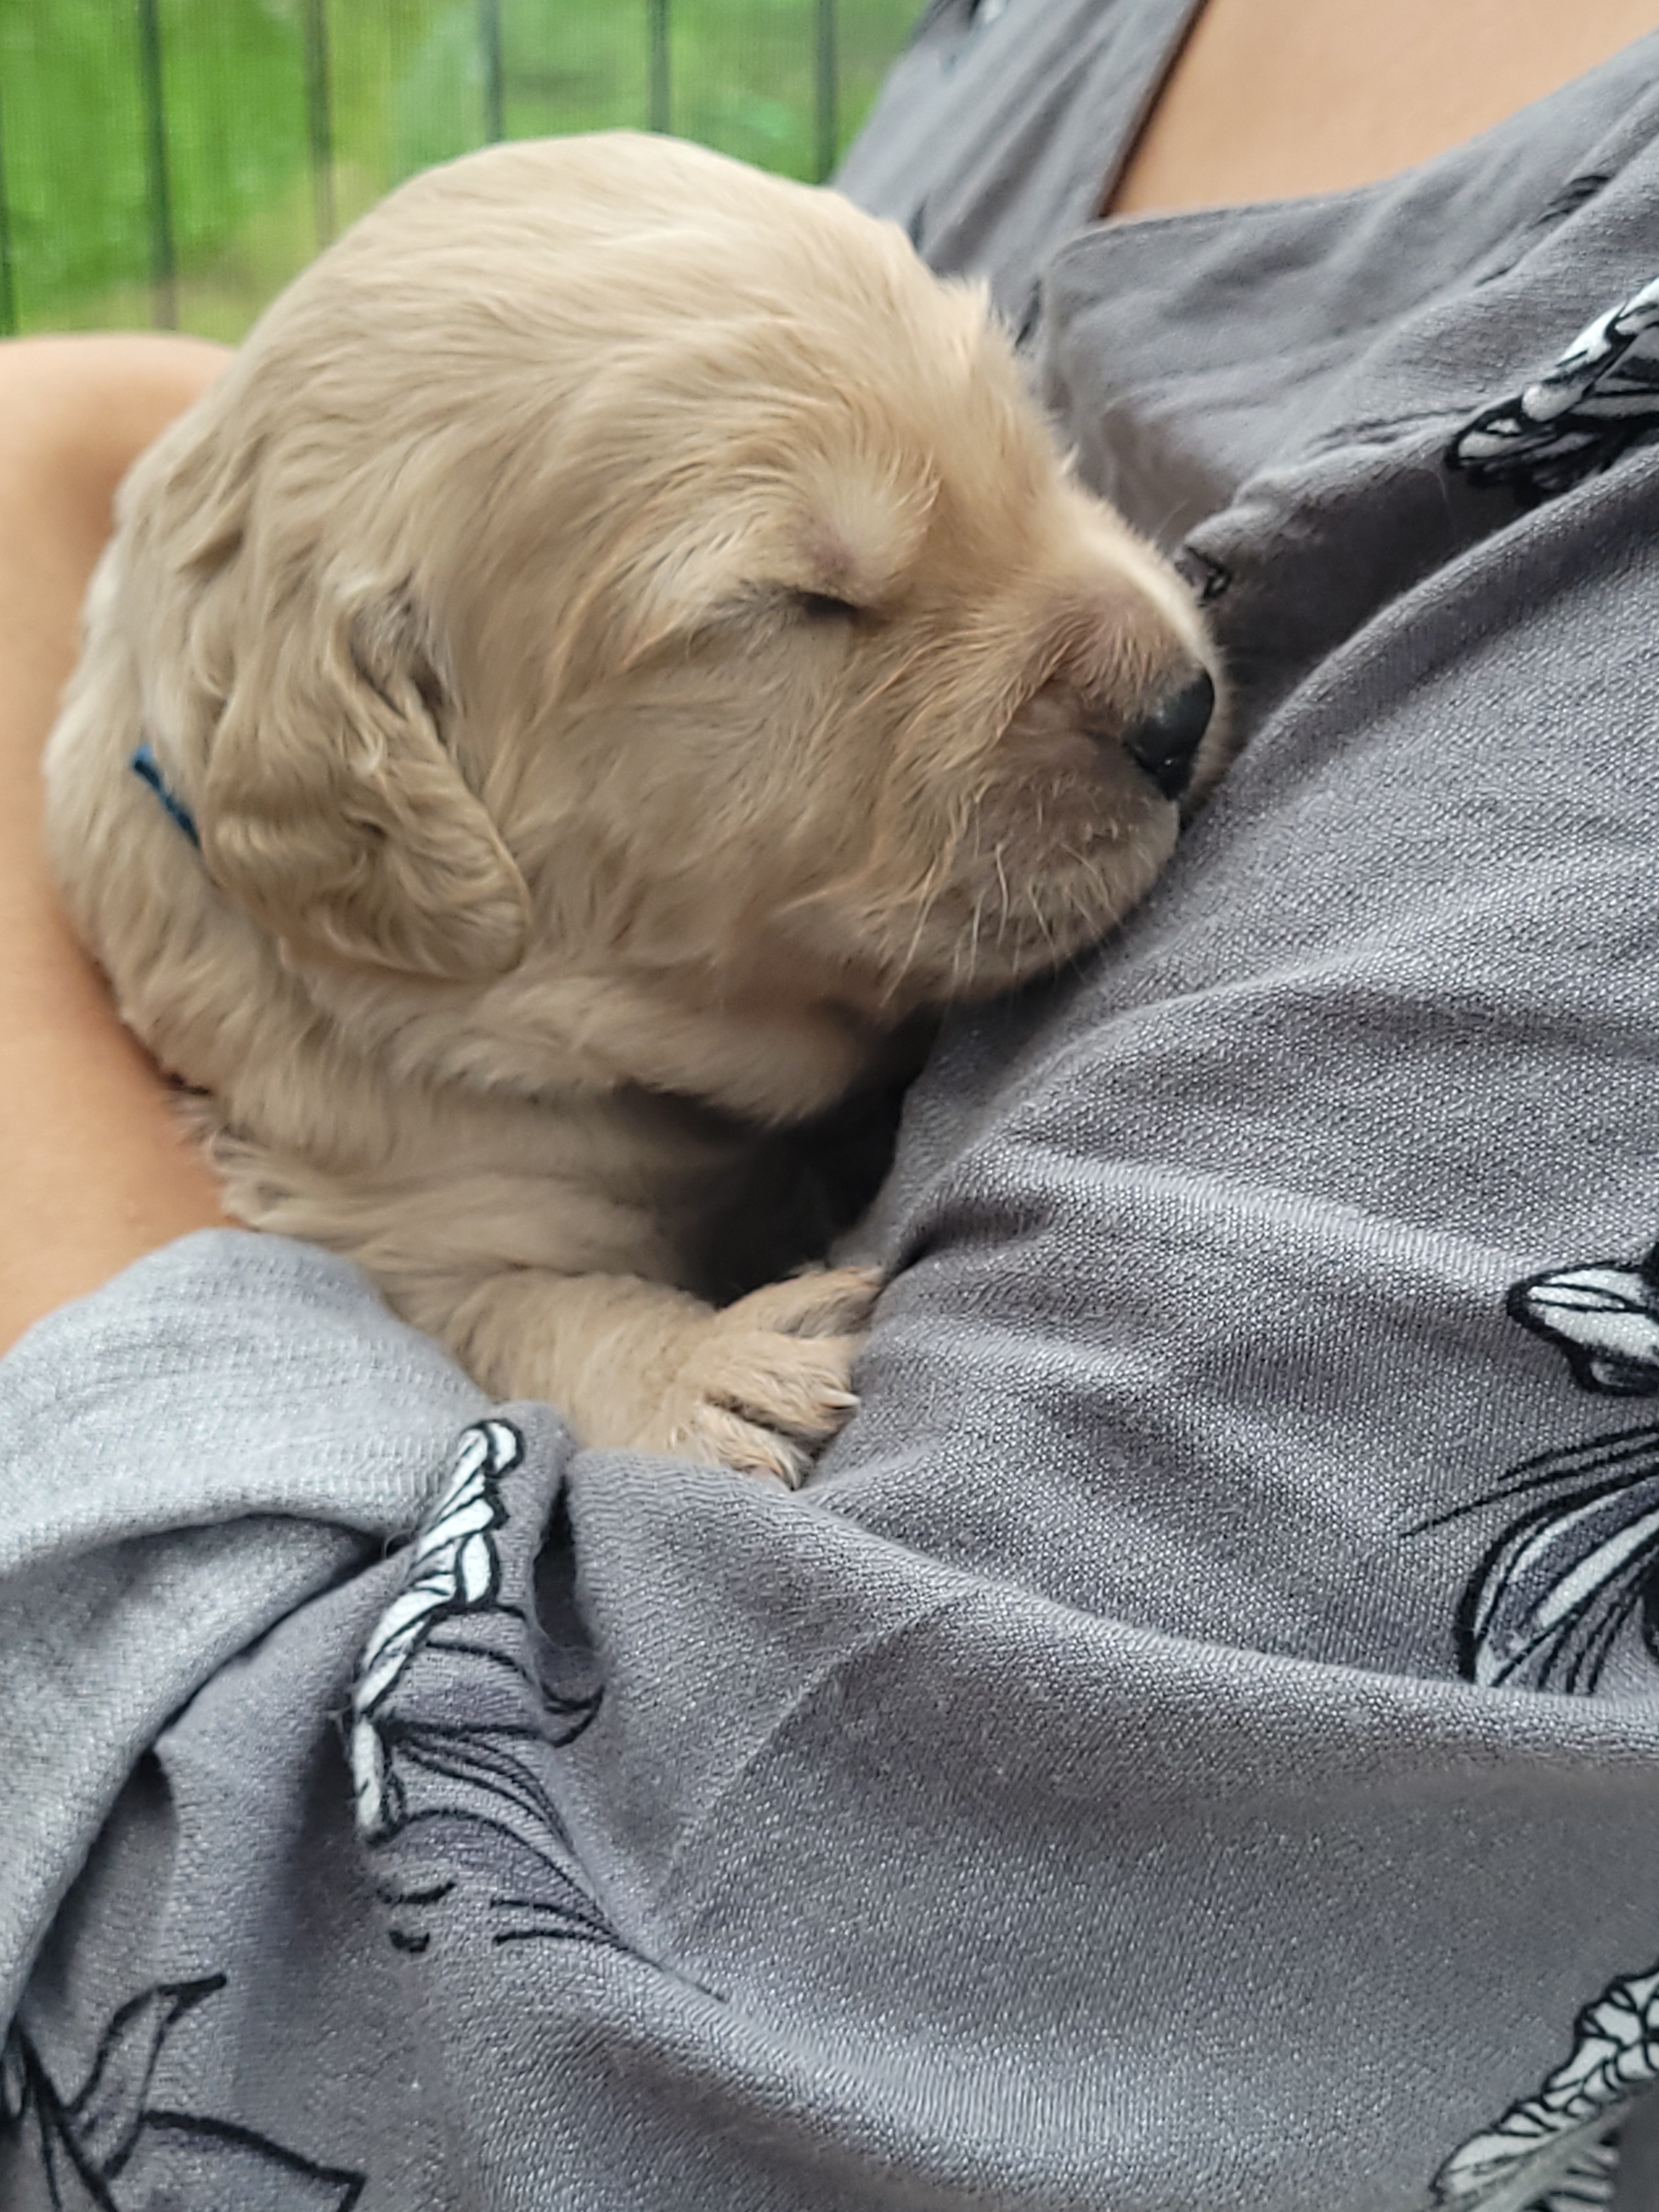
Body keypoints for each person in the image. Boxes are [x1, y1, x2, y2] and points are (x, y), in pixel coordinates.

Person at [4, 1, 1659, 2203]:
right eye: (808, 602)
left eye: (1027, 445)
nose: (1139, 651)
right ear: (394, 790)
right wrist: (620, 1358)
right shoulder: (331, 900)